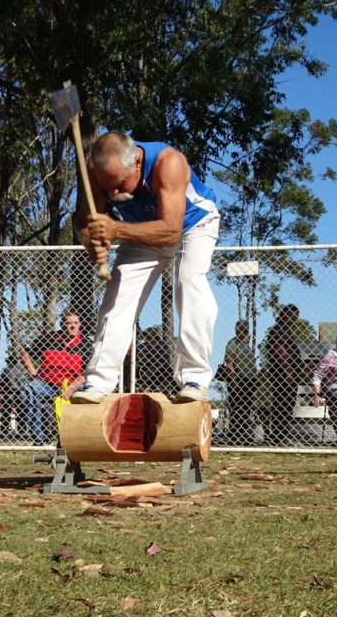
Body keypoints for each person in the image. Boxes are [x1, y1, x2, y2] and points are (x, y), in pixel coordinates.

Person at [70, 132, 220, 405]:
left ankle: (194, 379)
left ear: (137, 163)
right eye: (108, 186)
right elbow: (82, 221)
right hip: (141, 230)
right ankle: (98, 382)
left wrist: (114, 228)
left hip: (191, 224)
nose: (113, 193)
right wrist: (91, 242)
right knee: (118, 293)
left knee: (189, 281)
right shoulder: (96, 170)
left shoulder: (168, 163)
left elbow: (171, 231)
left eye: (118, 184)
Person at [19, 310, 85, 444]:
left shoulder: (86, 344)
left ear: (80, 325)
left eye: (75, 323)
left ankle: (75, 438)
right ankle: (39, 438)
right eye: (68, 323)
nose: (72, 326)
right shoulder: (49, 339)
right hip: (46, 382)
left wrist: (70, 389)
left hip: (74, 383)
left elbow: (88, 372)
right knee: (27, 393)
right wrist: (33, 373)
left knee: (88, 395)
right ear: (62, 325)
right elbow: (24, 352)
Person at [263, 305, 303, 444]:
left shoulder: (286, 331)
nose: (294, 318)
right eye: (291, 315)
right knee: (283, 403)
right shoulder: (279, 329)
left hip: (290, 373)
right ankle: (279, 435)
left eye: (296, 316)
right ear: (284, 315)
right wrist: (288, 370)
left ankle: (280, 434)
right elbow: (280, 349)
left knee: (287, 403)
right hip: (283, 374)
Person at [222, 320, 257, 444]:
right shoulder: (233, 343)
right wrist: (233, 379)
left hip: (249, 380)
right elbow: (229, 362)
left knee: (246, 407)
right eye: (240, 329)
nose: (242, 331)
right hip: (239, 379)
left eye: (245, 329)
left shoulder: (245, 344)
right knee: (238, 407)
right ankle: (235, 435)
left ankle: (242, 434)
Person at [133, 326, 175, 395]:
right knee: (140, 371)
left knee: (167, 372)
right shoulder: (142, 346)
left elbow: (164, 362)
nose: (147, 339)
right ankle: (140, 392)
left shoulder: (162, 345)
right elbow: (140, 362)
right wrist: (147, 354)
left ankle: (165, 394)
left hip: (160, 369)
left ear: (155, 337)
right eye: (146, 337)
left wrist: (151, 370)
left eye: (150, 337)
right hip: (145, 368)